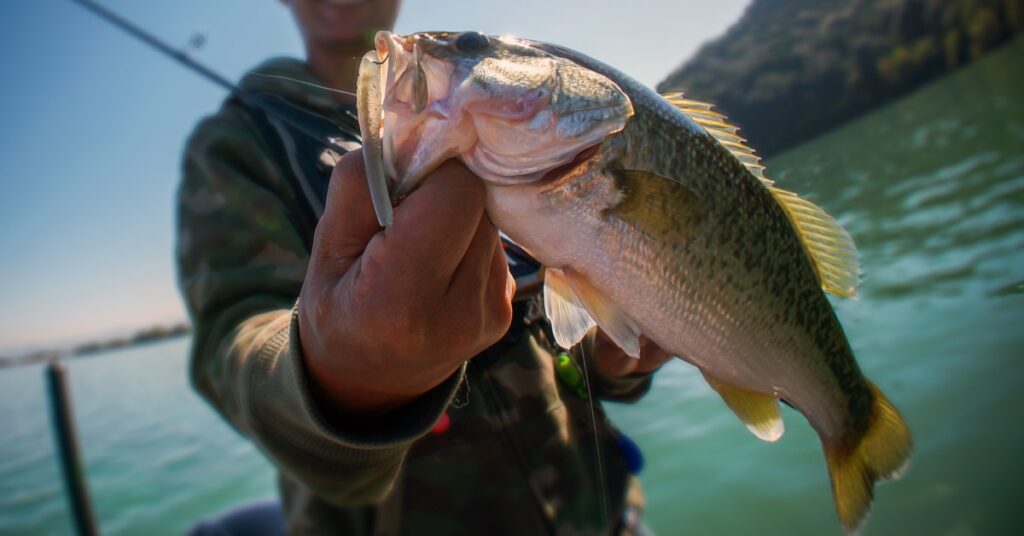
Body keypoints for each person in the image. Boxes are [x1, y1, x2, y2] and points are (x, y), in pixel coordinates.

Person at [177, 1, 671, 534]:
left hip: (597, 511)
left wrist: (614, 360)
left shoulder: (517, 126)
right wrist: (345, 379)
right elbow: (228, 343)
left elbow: (561, 328)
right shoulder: (237, 144)